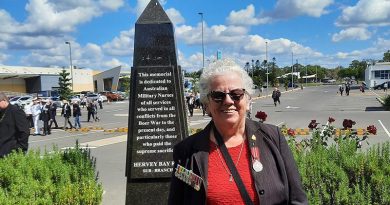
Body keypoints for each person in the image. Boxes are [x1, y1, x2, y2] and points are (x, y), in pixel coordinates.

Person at [168, 58, 307, 205]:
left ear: (247, 101)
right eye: (218, 95)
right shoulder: (186, 152)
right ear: (207, 105)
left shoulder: (273, 137)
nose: (228, 101)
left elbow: (297, 199)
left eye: (236, 94)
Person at [0, 92, 30, 157]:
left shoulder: (16, 111)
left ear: (4, 100)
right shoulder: (1, 111)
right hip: (2, 149)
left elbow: (24, 131)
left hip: (12, 150)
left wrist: (20, 148)